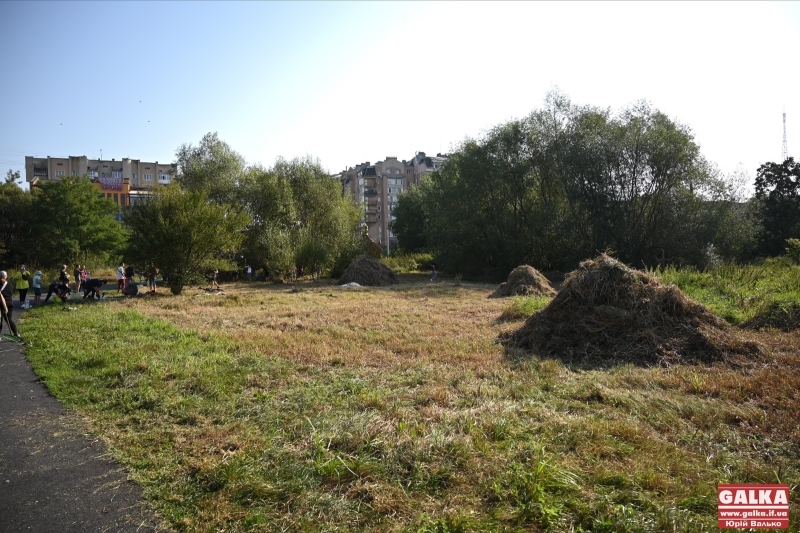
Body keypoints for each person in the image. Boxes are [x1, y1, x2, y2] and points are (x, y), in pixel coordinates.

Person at [0, 270, 21, 339]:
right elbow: (11, 292)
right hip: (10, 303)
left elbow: (1, 297)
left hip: (2, 304)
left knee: (1, 320)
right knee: (9, 319)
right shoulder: (10, 285)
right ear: (6, 277)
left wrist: (4, 306)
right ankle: (16, 333)